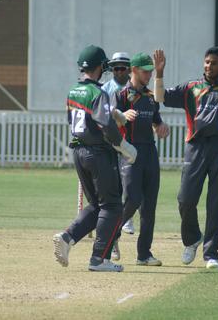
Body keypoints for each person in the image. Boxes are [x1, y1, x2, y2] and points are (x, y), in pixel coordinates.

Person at [153, 46, 218, 269]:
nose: (209, 66)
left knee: (216, 203)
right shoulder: (191, 87)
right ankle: (192, 238)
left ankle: (211, 253)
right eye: (206, 62)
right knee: (185, 200)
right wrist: (159, 73)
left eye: (213, 63)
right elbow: (160, 97)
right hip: (194, 147)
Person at [52, 45, 137, 272]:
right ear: (100, 67)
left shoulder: (73, 91)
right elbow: (106, 124)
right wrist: (124, 146)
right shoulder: (98, 93)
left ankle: (67, 237)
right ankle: (99, 259)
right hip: (98, 153)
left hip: (78, 151)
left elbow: (71, 120)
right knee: (111, 206)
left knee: (98, 206)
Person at [111, 51, 170, 266]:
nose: (149, 75)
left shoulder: (150, 96)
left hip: (150, 152)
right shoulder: (121, 95)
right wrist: (121, 117)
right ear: (134, 70)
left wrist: (162, 127)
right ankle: (112, 236)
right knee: (133, 199)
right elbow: (110, 122)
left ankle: (143, 254)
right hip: (129, 153)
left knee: (149, 206)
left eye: (151, 72)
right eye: (145, 72)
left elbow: (157, 121)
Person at [102, 52, 137, 237]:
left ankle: (128, 218)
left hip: (130, 139)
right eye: (115, 68)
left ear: (129, 69)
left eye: (122, 68)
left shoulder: (134, 87)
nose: (119, 71)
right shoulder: (106, 88)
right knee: (113, 180)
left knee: (129, 181)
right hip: (111, 139)